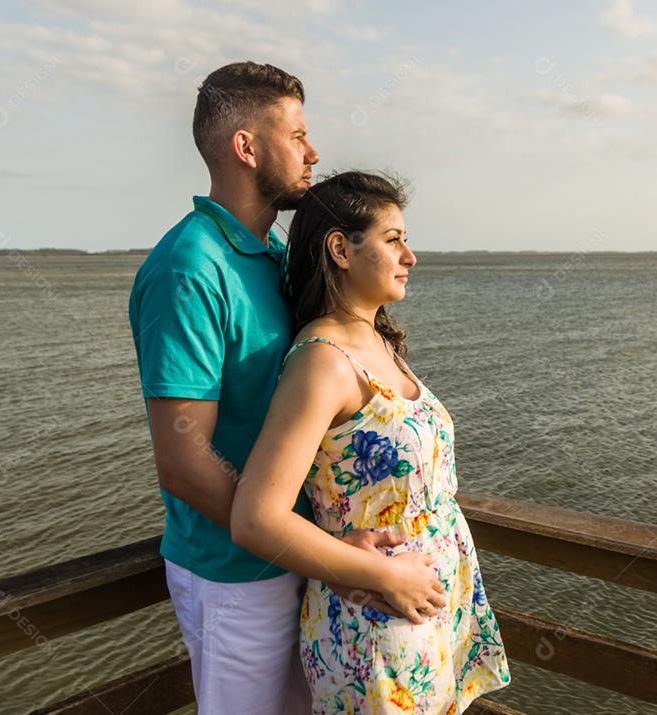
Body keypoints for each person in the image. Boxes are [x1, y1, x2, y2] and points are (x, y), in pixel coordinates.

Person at [128, 62, 440, 715]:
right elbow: (184, 461)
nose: (313, 151)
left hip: (305, 561)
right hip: (233, 576)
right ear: (246, 148)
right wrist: (311, 537)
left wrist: (321, 547)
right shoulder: (189, 267)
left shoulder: (271, 256)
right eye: (297, 134)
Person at [231, 171, 511, 713]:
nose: (410, 256)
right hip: (375, 624)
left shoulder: (378, 339)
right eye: (393, 239)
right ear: (340, 248)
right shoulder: (322, 363)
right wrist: (385, 575)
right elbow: (255, 518)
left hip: (427, 608)